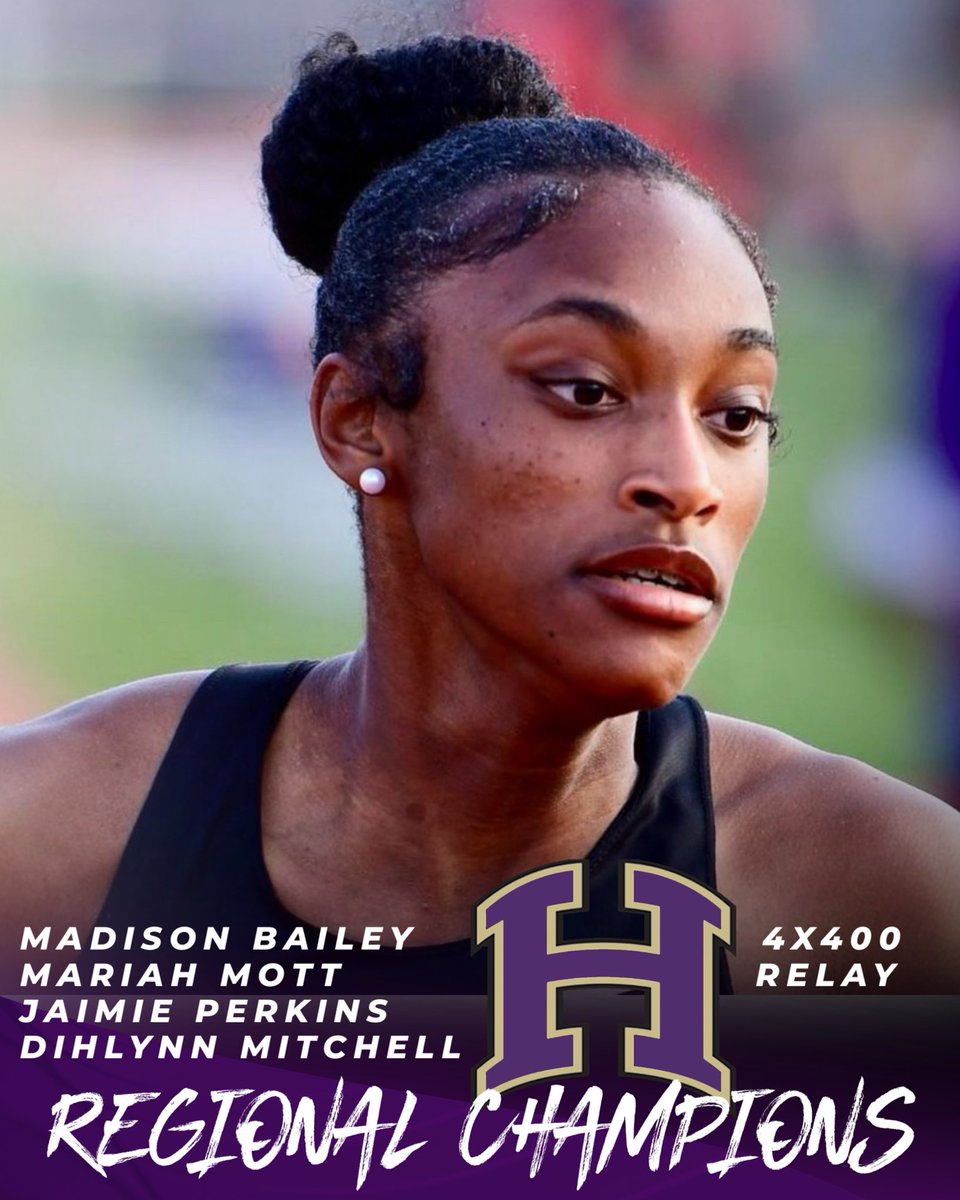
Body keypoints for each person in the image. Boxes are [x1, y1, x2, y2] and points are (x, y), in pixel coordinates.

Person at [1, 33, 958, 995]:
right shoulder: (51, 847)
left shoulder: (887, 898)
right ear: (358, 419)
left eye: (736, 414)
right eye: (584, 389)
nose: (686, 478)